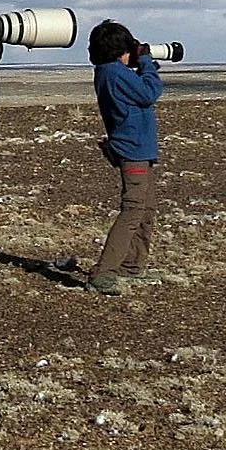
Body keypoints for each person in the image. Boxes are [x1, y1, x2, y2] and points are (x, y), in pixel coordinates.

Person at [83, 20, 163, 295]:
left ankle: (132, 265)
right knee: (133, 210)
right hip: (133, 150)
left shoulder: (110, 72)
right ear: (121, 48)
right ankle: (104, 273)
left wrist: (141, 63)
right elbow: (149, 93)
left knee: (146, 209)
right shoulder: (114, 73)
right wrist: (147, 63)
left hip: (139, 149)